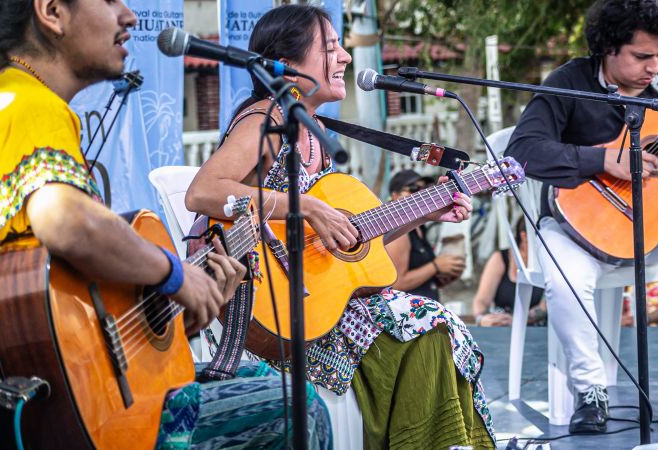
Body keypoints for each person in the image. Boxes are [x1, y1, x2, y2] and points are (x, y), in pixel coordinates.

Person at [0, 1, 330, 448]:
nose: (130, 16)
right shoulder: (21, 103)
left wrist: (177, 315)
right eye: (111, 0)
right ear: (52, 11)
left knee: (257, 381)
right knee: (297, 406)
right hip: (21, 425)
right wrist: (174, 273)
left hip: (39, 401)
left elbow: (62, 309)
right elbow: (66, 223)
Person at [185, 5, 494, 448]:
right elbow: (203, 191)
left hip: (321, 301)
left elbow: (350, 243)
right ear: (287, 66)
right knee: (428, 324)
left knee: (439, 323)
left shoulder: (312, 134)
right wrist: (305, 206)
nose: (346, 57)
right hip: (269, 304)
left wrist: (425, 212)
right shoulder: (265, 120)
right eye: (330, 48)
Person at [504, 0, 658, 434]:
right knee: (565, 280)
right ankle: (590, 390)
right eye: (641, 56)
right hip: (573, 227)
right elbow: (521, 152)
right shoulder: (567, 83)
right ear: (608, 49)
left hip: (648, 227)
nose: (654, 67)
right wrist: (601, 159)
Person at [385, 169, 466, 300]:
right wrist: (436, 266)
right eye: (413, 189)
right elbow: (396, 284)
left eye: (424, 189)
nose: (420, 194)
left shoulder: (419, 228)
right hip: (408, 315)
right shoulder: (397, 231)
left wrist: (443, 275)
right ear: (395, 196)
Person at [471, 220, 547, 327]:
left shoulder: (548, 263)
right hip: (501, 329)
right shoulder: (500, 259)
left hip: (536, 332)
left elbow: (545, 306)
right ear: (524, 236)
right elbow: (481, 300)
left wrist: (516, 321)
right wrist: (481, 319)